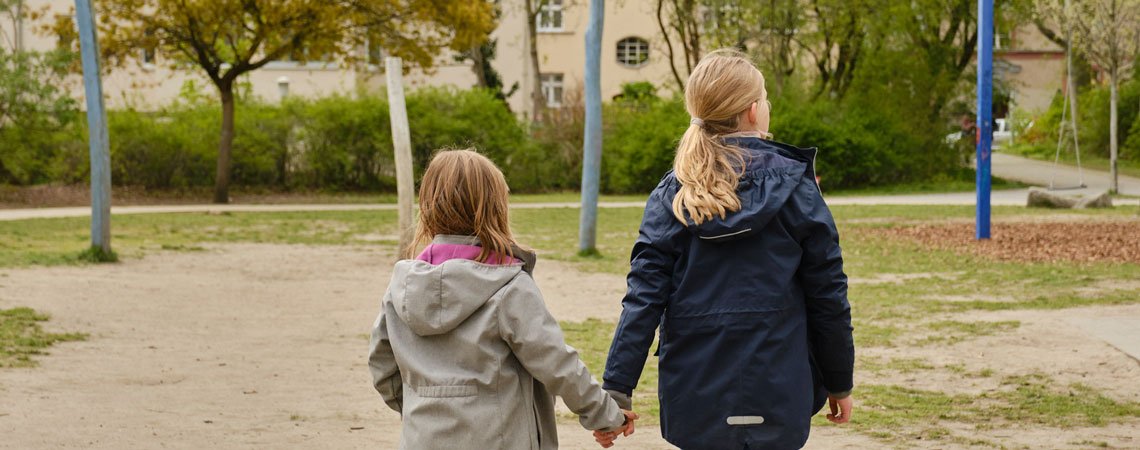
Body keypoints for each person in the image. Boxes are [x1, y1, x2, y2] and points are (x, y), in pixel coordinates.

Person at [597, 50, 855, 450]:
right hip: (780, 388)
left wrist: (617, 388)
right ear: (754, 111)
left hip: (695, 393)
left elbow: (642, 299)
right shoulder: (798, 191)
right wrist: (839, 380)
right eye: (765, 97)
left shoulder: (673, 195)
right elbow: (829, 297)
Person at [367, 149, 637, 449]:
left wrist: (425, 409)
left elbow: (382, 366)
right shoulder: (509, 286)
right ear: (496, 208)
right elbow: (556, 363)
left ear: (427, 205)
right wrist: (605, 414)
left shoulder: (401, 287)